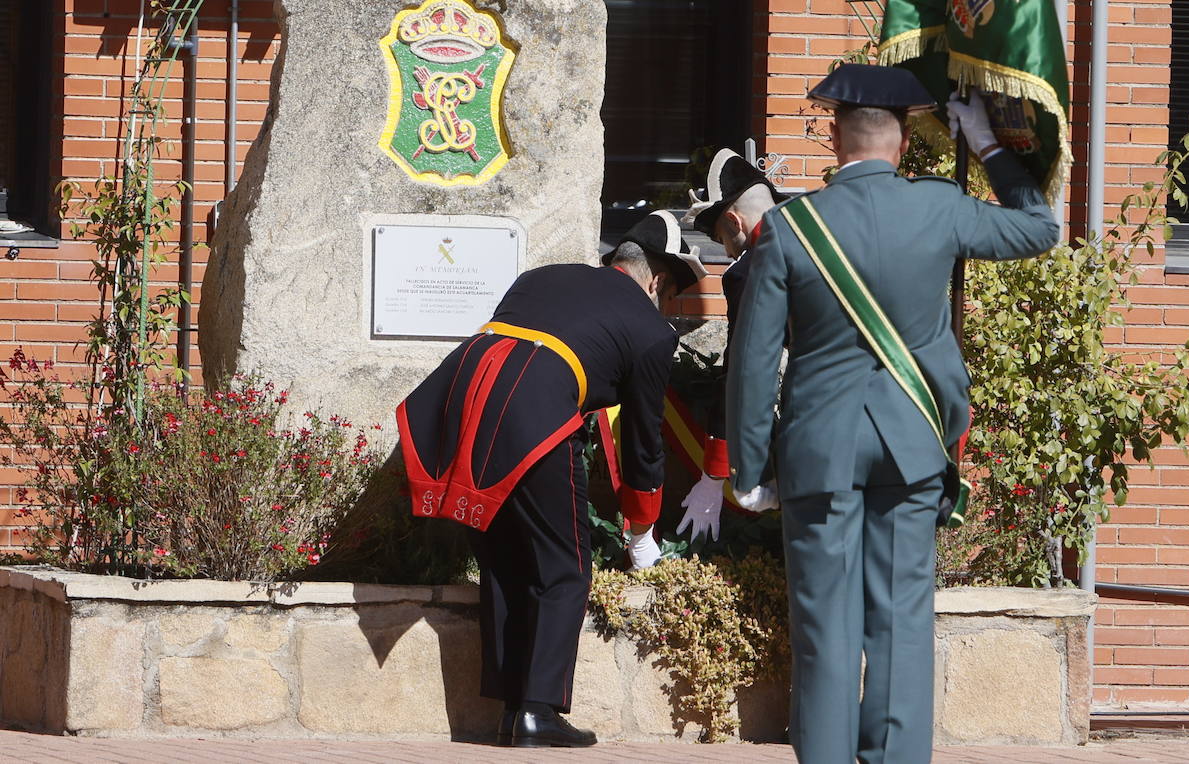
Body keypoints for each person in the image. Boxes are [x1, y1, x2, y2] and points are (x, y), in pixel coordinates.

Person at [726, 64, 1059, 763]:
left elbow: (755, 361)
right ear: (902, 142)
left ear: (835, 140)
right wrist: (989, 145)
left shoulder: (790, 230)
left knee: (825, 628)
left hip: (821, 447)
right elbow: (1039, 227)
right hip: (911, 438)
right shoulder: (939, 208)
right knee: (903, 622)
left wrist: (749, 467)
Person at [397, 210, 705, 748]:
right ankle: (538, 713)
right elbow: (643, 438)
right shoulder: (651, 328)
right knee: (565, 565)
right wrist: (641, 530)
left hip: (462, 396)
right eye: (671, 292)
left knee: (506, 560)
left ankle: (512, 708)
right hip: (534, 409)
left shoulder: (543, 276)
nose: (666, 305)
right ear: (655, 279)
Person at [676, 149, 788, 540]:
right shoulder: (830, 234)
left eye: (720, 237)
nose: (725, 252)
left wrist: (714, 474)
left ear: (732, 219)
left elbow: (745, 371)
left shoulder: (754, 267)